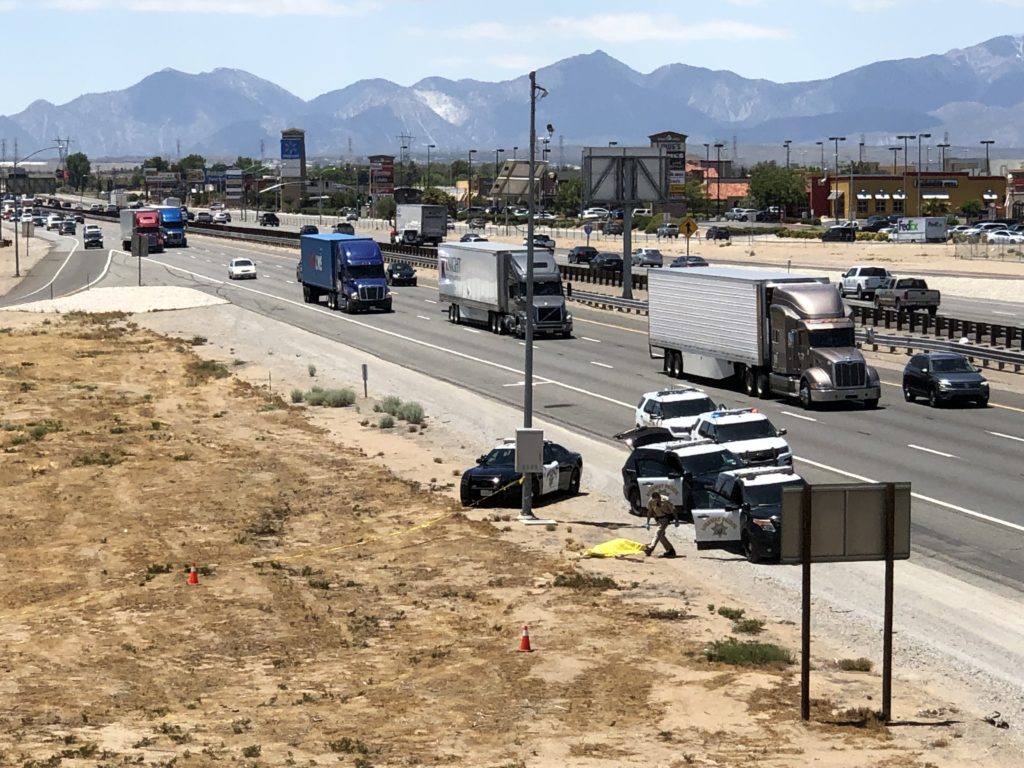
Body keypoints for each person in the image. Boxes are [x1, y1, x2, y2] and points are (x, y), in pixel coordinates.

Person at [644, 491, 678, 558]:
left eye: (657, 499)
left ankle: (651, 548)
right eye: (655, 499)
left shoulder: (666, 500)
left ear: (659, 497)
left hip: (666, 518)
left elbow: (673, 509)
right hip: (658, 518)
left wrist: (676, 519)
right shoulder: (651, 501)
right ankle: (670, 550)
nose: (656, 501)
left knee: (658, 532)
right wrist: (647, 522)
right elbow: (650, 511)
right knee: (661, 536)